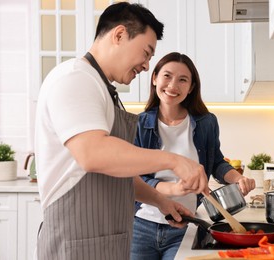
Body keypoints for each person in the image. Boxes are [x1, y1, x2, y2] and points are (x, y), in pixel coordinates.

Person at [34, 3, 209, 260]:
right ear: (119, 35)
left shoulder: (102, 89)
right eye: (146, 53)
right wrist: (174, 160)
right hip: (75, 240)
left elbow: (116, 172)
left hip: (102, 239)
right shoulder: (75, 78)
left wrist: (160, 201)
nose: (147, 66)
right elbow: (93, 154)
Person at [131, 52, 256, 260]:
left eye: (183, 80)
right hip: (141, 225)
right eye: (167, 76)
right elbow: (135, 177)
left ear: (191, 88)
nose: (173, 86)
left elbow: (216, 162)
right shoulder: (138, 124)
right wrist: (174, 188)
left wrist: (239, 178)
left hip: (186, 226)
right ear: (154, 78)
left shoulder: (206, 123)